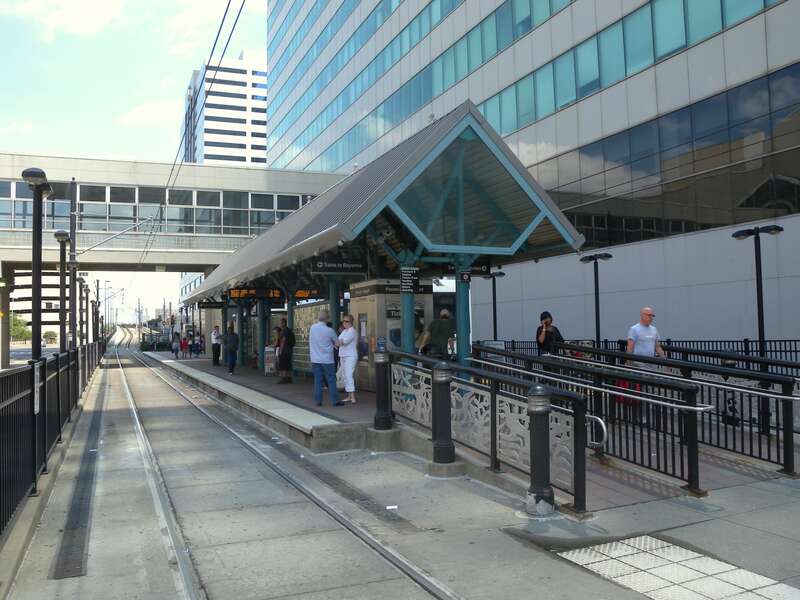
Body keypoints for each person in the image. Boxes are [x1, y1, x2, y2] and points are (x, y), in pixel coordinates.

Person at [309, 310, 341, 406]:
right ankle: (335, 401)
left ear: (318, 318)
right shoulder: (329, 330)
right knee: (331, 379)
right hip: (327, 359)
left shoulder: (312, 328)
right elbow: (337, 343)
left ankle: (318, 401)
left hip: (315, 359)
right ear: (327, 319)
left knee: (318, 380)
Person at [337, 314, 358, 403]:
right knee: (345, 376)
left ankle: (353, 397)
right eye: (343, 321)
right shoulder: (344, 331)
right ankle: (349, 396)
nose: (344, 323)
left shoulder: (352, 331)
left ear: (351, 322)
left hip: (350, 356)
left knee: (349, 375)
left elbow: (341, 342)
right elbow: (337, 342)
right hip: (343, 355)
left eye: (347, 321)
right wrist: (338, 342)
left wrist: (338, 342)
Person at [277, 318, 295, 384]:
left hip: (284, 350)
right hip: (289, 350)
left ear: (284, 323)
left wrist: (280, 351)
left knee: (283, 364)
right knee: (288, 364)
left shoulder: (284, 331)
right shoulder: (289, 331)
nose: (280, 324)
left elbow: (283, 341)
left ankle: (284, 378)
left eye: (281, 323)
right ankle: (289, 378)